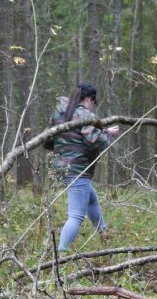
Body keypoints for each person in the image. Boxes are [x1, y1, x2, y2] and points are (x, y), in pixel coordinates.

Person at [51, 81, 119, 252]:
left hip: (63, 168)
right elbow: (95, 142)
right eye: (93, 103)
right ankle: (61, 255)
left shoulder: (60, 114)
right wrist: (107, 133)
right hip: (77, 169)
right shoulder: (85, 114)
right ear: (89, 99)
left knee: (90, 199)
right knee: (76, 216)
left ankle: (104, 234)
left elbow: (49, 141)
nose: (93, 107)